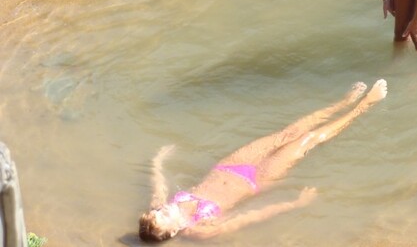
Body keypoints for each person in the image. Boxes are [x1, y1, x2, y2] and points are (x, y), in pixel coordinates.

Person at [138, 79, 388, 241]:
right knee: (307, 140)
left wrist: (158, 161)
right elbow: (250, 217)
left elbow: (157, 185)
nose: (163, 208)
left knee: (287, 133)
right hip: (258, 179)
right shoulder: (200, 230)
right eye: (163, 215)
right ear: (172, 232)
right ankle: (364, 106)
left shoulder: (163, 204)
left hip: (229, 165)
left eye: (158, 210)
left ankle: (342, 102)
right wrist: (295, 204)